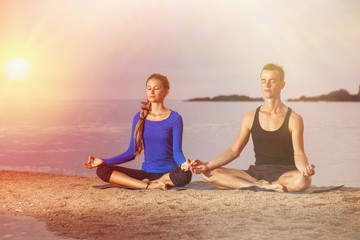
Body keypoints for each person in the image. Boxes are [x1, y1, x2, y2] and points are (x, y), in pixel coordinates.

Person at [190, 63, 315, 192]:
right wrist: (206, 165)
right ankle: (261, 186)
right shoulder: (249, 117)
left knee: (303, 180)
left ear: (282, 85)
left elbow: (299, 154)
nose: (267, 85)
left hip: (284, 174)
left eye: (272, 81)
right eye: (263, 81)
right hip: (255, 174)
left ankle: (261, 185)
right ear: (260, 84)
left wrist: (304, 168)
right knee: (210, 174)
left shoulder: (294, 119)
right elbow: (234, 151)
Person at [83, 73, 192, 190]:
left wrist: (183, 164)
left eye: (156, 88)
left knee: (186, 174)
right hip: (145, 174)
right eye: (149, 88)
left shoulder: (174, 118)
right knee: (102, 170)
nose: (152, 92)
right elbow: (131, 152)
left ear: (166, 91)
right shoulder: (140, 117)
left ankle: (155, 182)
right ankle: (147, 185)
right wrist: (103, 161)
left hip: (168, 174)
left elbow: (177, 152)